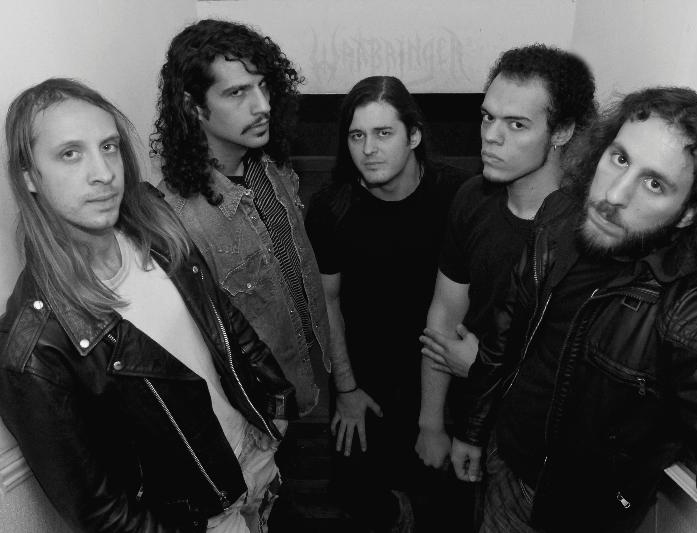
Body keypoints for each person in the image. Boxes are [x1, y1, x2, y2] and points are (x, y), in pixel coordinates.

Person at [0, 78, 297, 532]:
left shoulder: (152, 225)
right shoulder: (35, 352)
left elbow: (222, 317)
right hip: (203, 516)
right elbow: (101, 514)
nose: (103, 173)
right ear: (28, 177)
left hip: (257, 450)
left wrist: (277, 403)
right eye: (70, 154)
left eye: (108, 146)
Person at [452, 87, 697, 533]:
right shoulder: (559, 215)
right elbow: (507, 331)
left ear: (688, 212)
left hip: (577, 513)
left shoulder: (694, 302)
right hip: (505, 460)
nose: (614, 195)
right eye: (619, 159)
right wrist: (473, 430)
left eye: (654, 184)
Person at [152, 19, 348, 416]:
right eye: (237, 92)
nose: (263, 106)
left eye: (263, 86)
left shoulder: (272, 167)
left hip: (314, 377)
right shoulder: (179, 221)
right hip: (262, 410)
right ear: (193, 107)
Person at [416, 44, 597, 475]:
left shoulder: (586, 230)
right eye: (487, 117)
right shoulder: (473, 198)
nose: (492, 136)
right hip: (465, 416)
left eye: (517, 124)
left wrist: (481, 369)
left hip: (539, 447)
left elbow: (576, 373)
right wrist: (431, 423)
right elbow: (444, 314)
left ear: (561, 132)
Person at [305, 76, 471, 531]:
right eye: (356, 136)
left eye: (383, 133)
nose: (368, 149)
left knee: (446, 504)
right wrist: (346, 390)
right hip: (366, 378)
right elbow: (327, 302)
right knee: (357, 498)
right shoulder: (331, 207)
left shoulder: (459, 197)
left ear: (413, 136)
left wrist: (441, 418)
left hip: (440, 375)